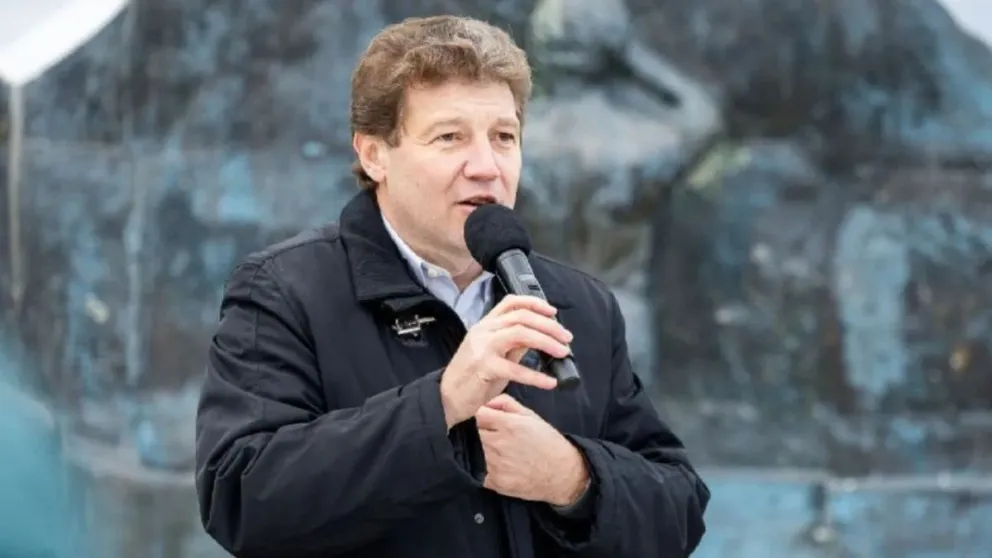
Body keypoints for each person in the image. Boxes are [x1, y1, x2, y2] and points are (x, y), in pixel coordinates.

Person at [195, 14, 709, 558]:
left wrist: (572, 479)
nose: (486, 167)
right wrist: (441, 404)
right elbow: (242, 499)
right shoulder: (285, 290)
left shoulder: (582, 304)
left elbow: (678, 514)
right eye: (450, 137)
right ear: (374, 154)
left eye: (504, 137)